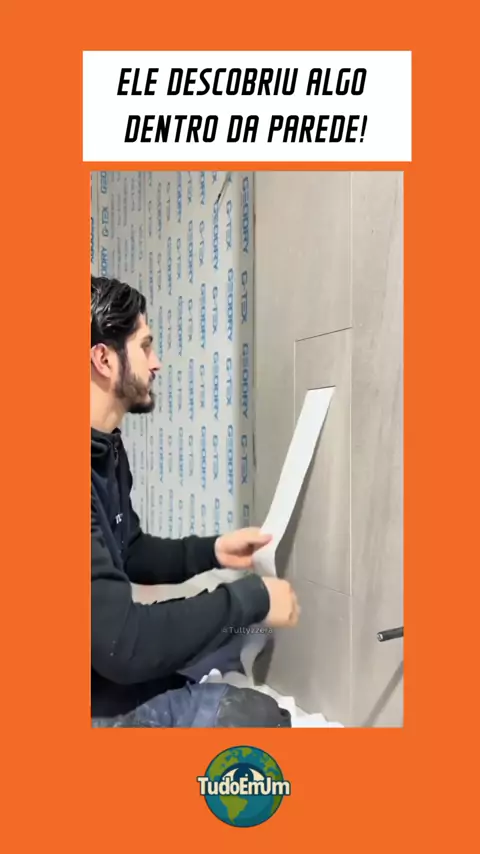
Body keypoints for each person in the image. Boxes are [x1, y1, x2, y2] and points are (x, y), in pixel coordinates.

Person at [91, 275, 300, 727]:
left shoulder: (106, 449)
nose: (157, 362)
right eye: (146, 346)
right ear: (104, 359)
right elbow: (122, 646)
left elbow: (129, 550)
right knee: (255, 718)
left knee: (227, 650)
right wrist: (252, 597)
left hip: (99, 662)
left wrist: (213, 551)